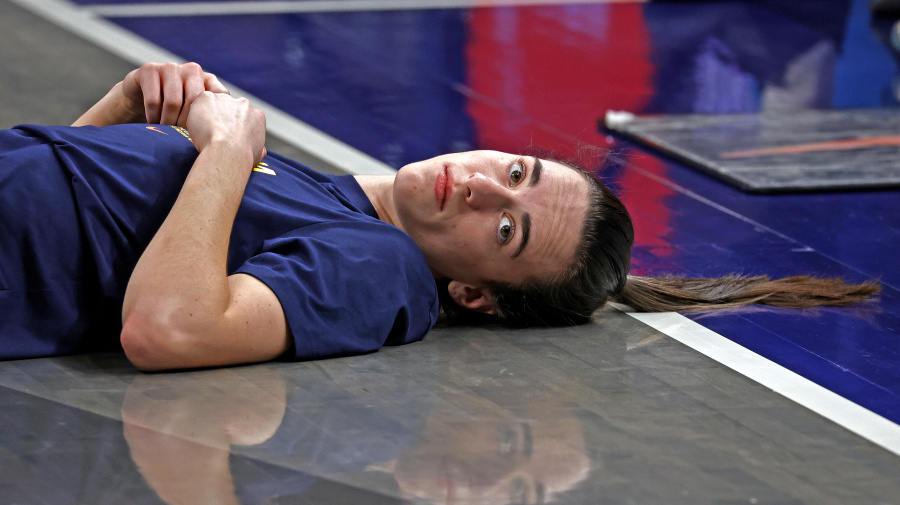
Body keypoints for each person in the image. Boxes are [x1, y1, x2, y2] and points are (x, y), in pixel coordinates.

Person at [0, 63, 879, 372]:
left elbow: (166, 327)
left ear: (476, 295)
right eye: (517, 171)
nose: (488, 188)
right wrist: (119, 110)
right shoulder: (335, 192)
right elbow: (75, 228)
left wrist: (227, 147)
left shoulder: (379, 270)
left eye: (508, 229)